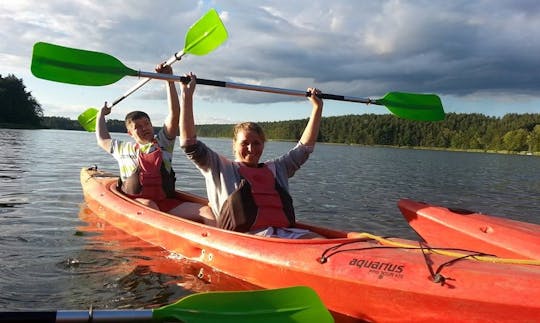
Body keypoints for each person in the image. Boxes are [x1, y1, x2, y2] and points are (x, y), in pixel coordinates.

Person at [179, 72, 324, 238]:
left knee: (318, 240)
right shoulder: (220, 168)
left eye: (256, 143)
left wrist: (317, 108)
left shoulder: (278, 168)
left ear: (263, 144)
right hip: (247, 239)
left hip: (286, 235)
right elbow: (188, 143)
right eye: (244, 143)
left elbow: (304, 147)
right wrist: (187, 95)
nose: (251, 148)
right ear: (234, 145)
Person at [95, 65, 215, 225]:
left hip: (165, 204)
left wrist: (169, 80)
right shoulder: (123, 149)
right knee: (151, 206)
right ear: (130, 133)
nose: (144, 128)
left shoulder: (164, 143)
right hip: (135, 204)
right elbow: (102, 138)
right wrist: (100, 115)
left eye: (147, 123)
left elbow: (175, 113)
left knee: (207, 211)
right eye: (138, 126)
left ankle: (215, 245)